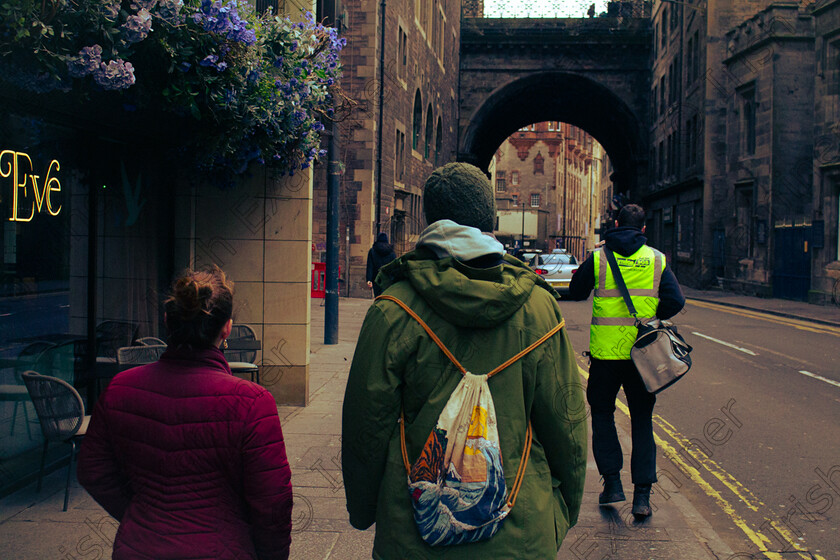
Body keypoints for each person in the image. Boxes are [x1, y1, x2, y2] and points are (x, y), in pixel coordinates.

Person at [342, 162, 587, 559]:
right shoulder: (540, 309)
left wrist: (365, 510)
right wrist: (560, 513)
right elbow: (568, 424)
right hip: (521, 534)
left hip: (414, 535)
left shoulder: (392, 310)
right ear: (488, 218)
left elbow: (363, 426)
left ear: (429, 217)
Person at [78, 266, 293, 560]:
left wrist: (138, 513)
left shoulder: (120, 389)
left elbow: (93, 470)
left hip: (140, 546)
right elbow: (273, 505)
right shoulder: (252, 402)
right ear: (227, 328)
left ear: (167, 321)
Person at [567, 203, 685, 518]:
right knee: (642, 422)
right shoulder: (656, 259)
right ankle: (642, 497)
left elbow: (577, 292)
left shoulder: (600, 257)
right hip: (642, 358)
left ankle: (613, 484)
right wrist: (652, 318)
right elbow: (675, 300)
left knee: (603, 417)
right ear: (644, 229)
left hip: (606, 358)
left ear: (617, 223)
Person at [366, 232, 397, 296]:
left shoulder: (372, 251)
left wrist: (369, 279)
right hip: (387, 279)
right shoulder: (391, 252)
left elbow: (370, 266)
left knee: (377, 297)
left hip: (376, 278)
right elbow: (394, 267)